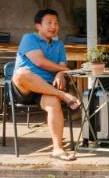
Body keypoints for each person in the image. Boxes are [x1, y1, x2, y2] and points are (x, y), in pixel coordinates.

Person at [11, 9, 81, 161]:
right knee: (22, 73)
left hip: (46, 88)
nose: (53, 26)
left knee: (53, 101)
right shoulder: (29, 38)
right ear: (38, 26)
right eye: (49, 23)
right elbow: (40, 62)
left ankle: (57, 148)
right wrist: (65, 70)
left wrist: (61, 73)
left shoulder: (59, 45)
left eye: (56, 23)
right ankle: (63, 95)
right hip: (24, 88)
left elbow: (62, 66)